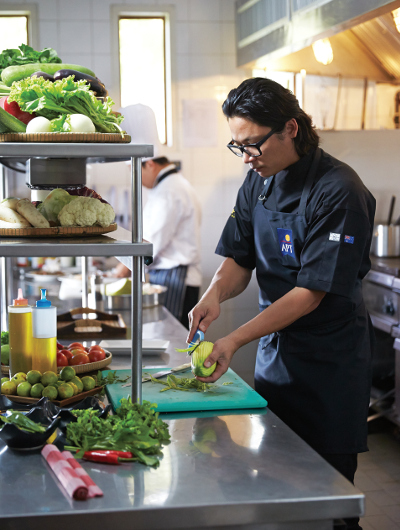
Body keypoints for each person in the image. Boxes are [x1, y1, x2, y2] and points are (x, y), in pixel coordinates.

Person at [188, 78, 375, 530]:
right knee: (277, 488)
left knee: (327, 500)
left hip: (329, 364)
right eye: (238, 147)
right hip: (277, 356)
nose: (247, 157)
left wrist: (233, 339)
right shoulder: (257, 182)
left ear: (290, 128)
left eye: (252, 145)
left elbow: (311, 292)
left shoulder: (339, 190)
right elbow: (238, 258)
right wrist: (213, 294)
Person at [114, 114, 202, 328]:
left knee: (174, 341)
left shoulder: (169, 192)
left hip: (175, 281)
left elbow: (149, 245)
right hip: (172, 277)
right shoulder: (171, 186)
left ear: (150, 164)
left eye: (134, 169)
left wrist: (119, 271)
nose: (134, 177)